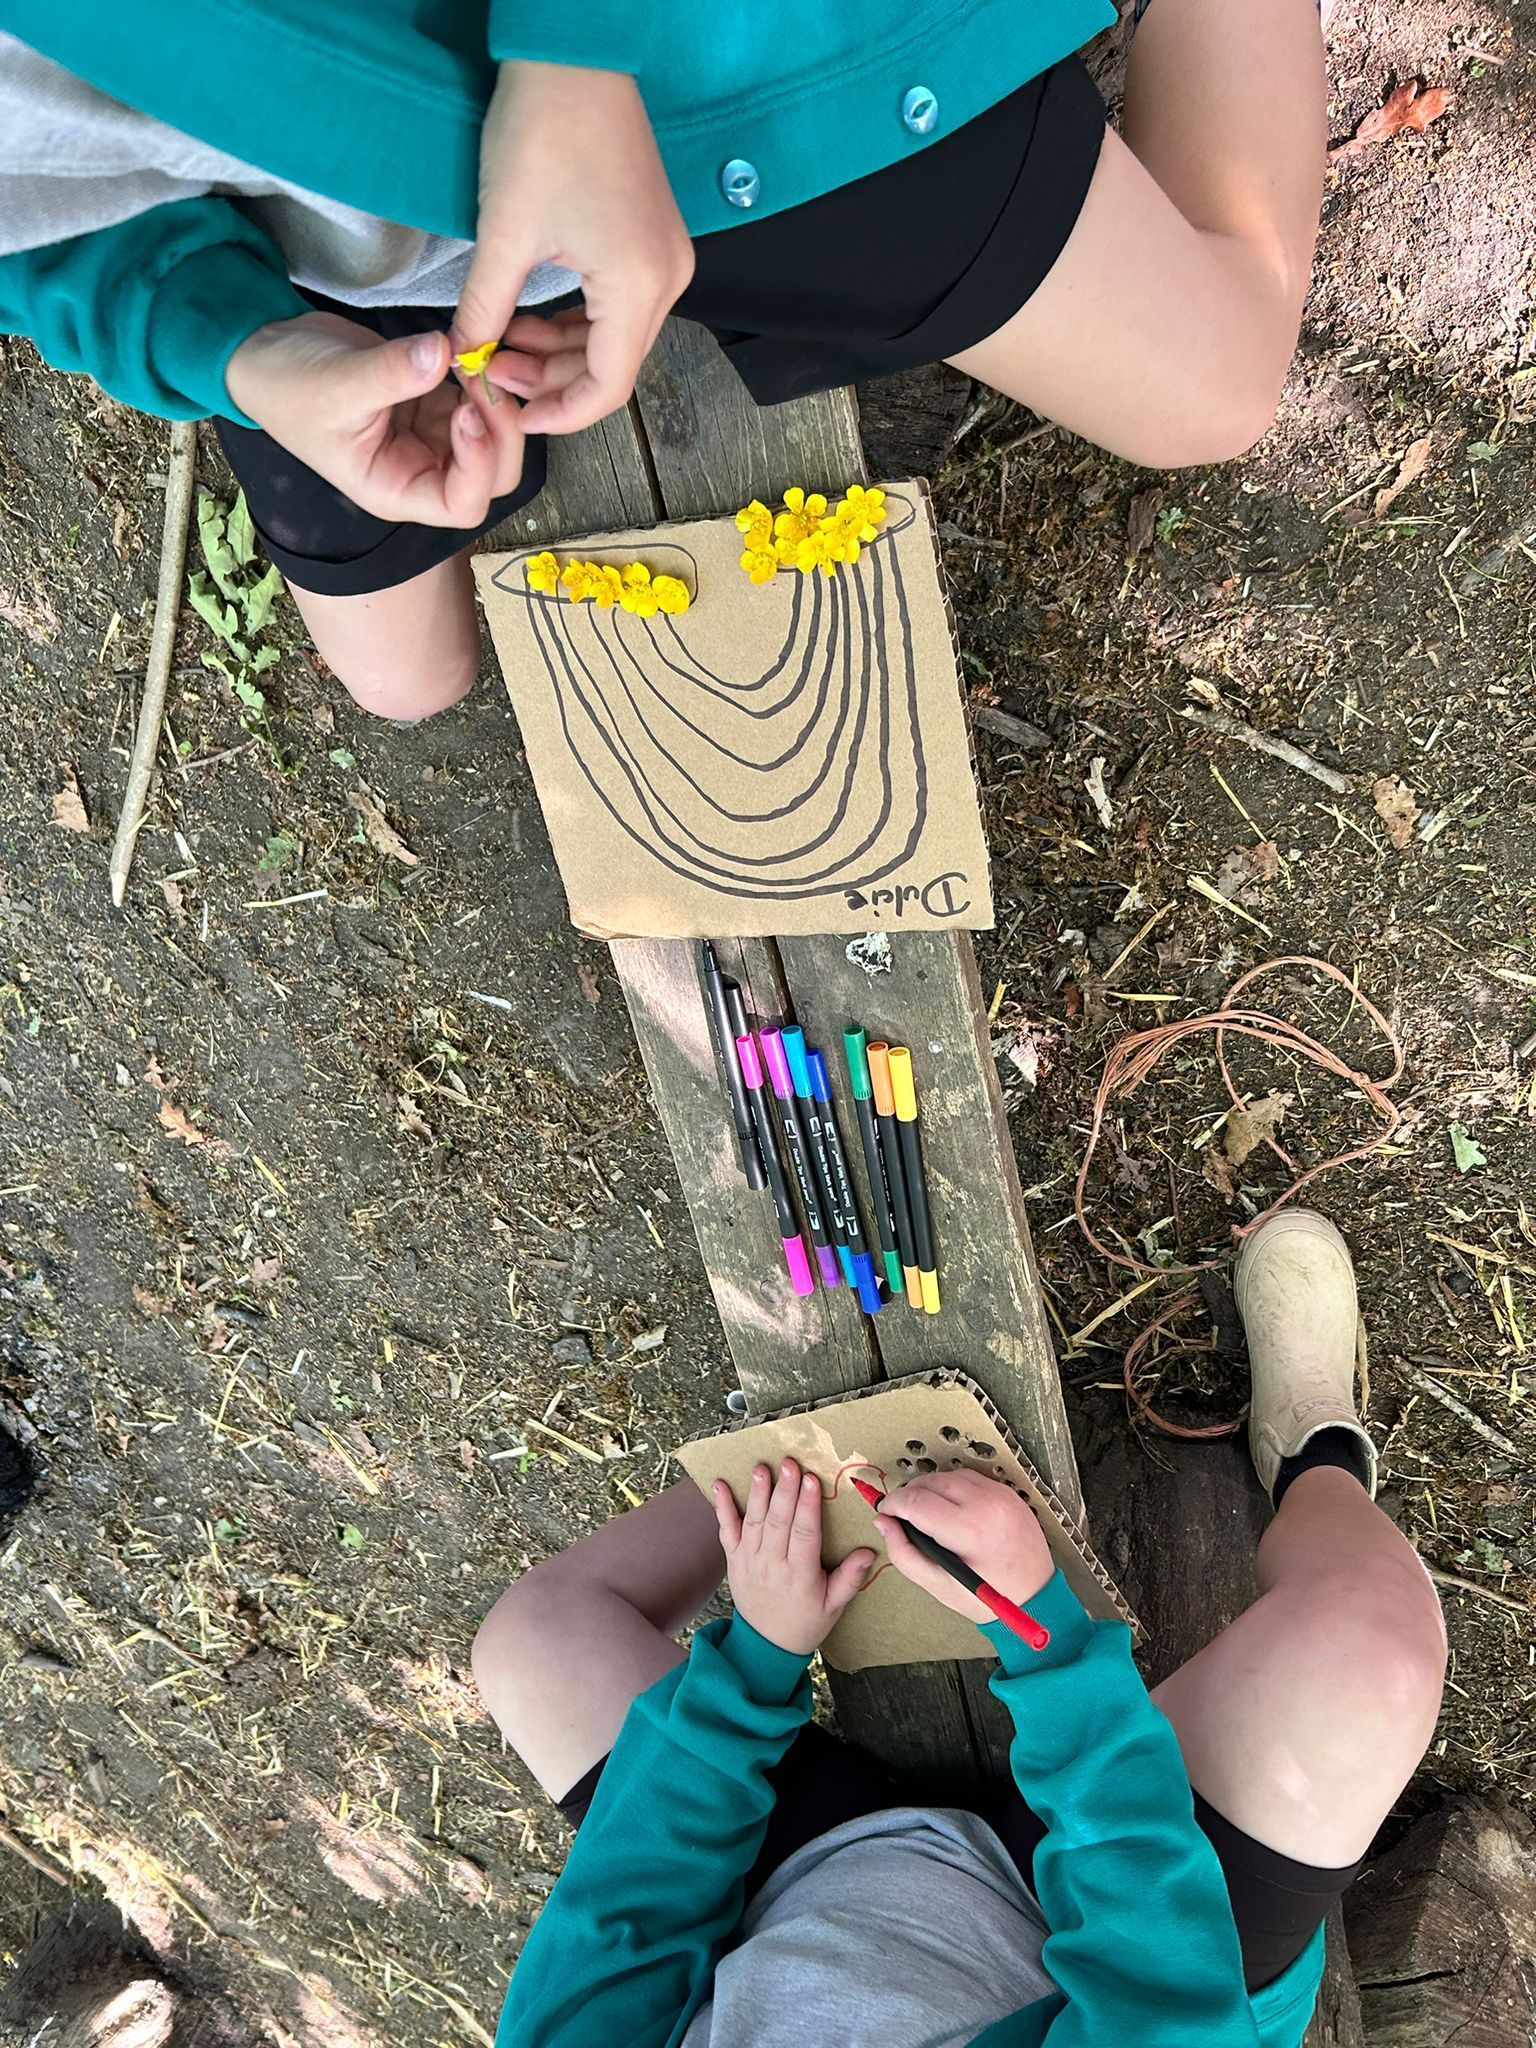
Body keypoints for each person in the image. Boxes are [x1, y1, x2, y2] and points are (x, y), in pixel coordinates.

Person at [2, 0, 1329, 722]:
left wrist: (574, 56)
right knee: (407, 683)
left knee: (1210, 378)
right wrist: (240, 345)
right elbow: (42, 212)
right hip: (324, 189)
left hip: (683, 55)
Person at [472, 1209, 1447, 2046]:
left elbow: (625, 1910)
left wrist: (757, 1658)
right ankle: (1320, 1455)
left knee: (536, 1645)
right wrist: (1046, 1636)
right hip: (1115, 1968)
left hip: (816, 1880)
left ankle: (795, 1450)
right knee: (1375, 1651)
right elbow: (1158, 1986)